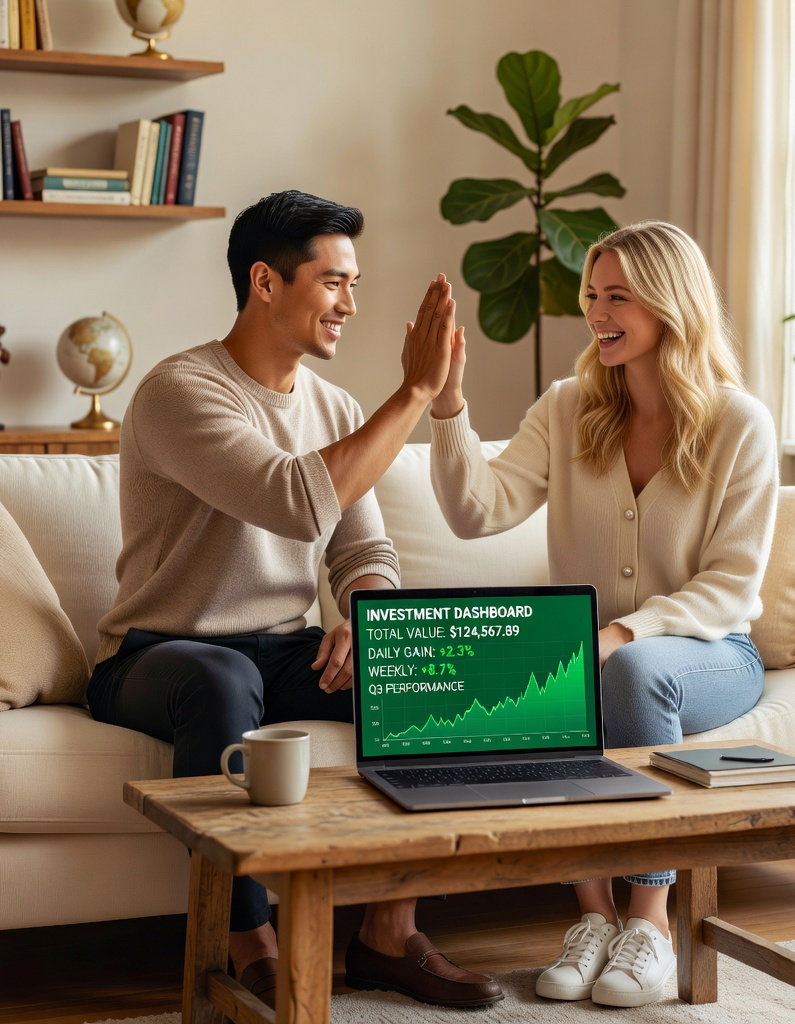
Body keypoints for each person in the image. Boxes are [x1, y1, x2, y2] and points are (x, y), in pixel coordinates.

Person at [86, 190, 503, 1011]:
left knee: (420, 662)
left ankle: (389, 932)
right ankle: (248, 942)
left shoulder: (336, 406)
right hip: (157, 654)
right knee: (218, 682)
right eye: (332, 281)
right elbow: (295, 500)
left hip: (279, 646)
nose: (351, 303)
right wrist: (416, 394)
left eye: (354, 282)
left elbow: (363, 551)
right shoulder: (181, 391)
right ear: (265, 282)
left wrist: (369, 617)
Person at [428, 220, 779, 1009]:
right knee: (550, 667)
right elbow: (475, 512)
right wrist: (448, 408)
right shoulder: (567, 407)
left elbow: (730, 583)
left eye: (618, 296)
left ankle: (650, 923)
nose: (597, 313)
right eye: (592, 295)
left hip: (709, 653)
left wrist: (624, 631)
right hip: (602, 654)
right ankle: (592, 920)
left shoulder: (738, 423)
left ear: (669, 303)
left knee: (628, 668)